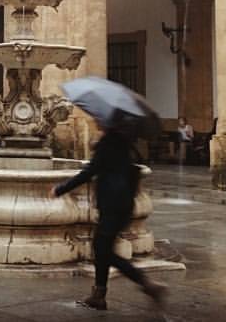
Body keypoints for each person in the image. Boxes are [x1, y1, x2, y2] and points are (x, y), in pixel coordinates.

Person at [49, 121, 167, 311]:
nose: (95, 121)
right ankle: (99, 295)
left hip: (113, 203)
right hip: (123, 203)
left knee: (103, 249)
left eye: (98, 119)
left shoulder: (109, 142)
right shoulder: (123, 141)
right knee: (102, 248)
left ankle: (147, 284)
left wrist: (60, 189)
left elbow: (89, 172)